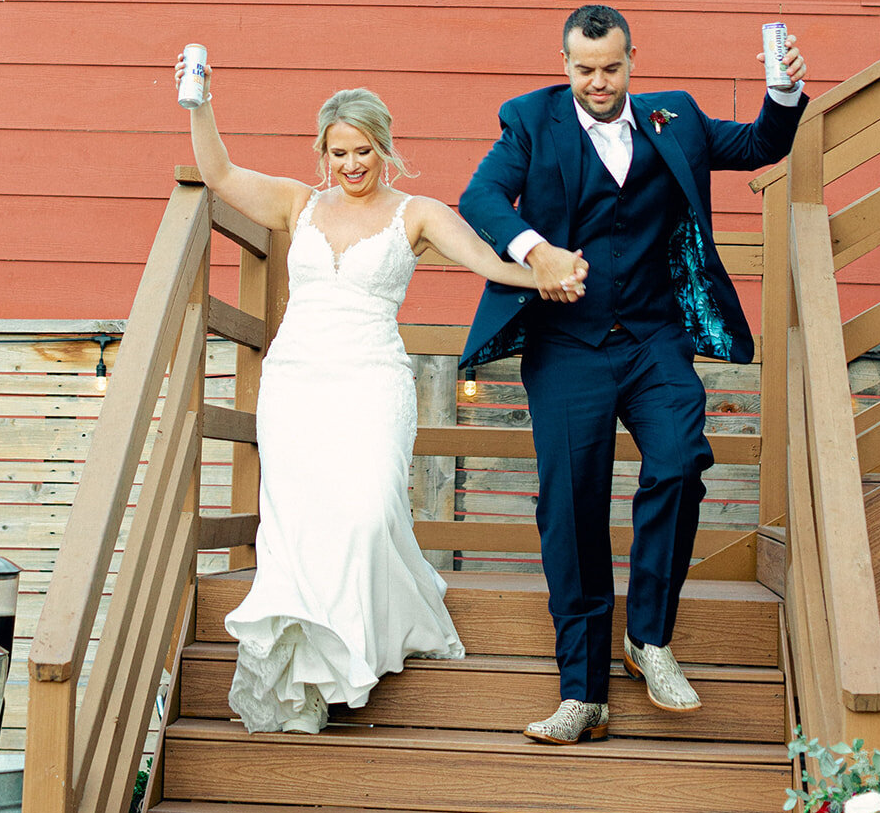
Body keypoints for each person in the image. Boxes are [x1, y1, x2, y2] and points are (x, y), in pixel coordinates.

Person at [176, 57, 586, 735]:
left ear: (384, 147)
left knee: (366, 514)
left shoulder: (416, 214)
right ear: (323, 153)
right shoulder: (296, 205)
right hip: (296, 381)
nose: (351, 163)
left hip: (372, 381)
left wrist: (547, 271)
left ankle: (357, 655)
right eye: (339, 152)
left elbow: (485, 260)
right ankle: (308, 678)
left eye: (363, 149)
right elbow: (219, 174)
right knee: (299, 528)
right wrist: (201, 102)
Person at [459, 4, 807, 745]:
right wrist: (534, 252)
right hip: (567, 345)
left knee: (680, 463)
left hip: (652, 339)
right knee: (573, 508)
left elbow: (756, 145)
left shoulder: (672, 118)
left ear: (632, 60)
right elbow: (480, 198)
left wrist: (782, 93)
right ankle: (582, 693)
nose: (597, 81)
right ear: (564, 66)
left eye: (610, 67)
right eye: (583, 69)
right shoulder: (530, 120)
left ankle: (648, 638)